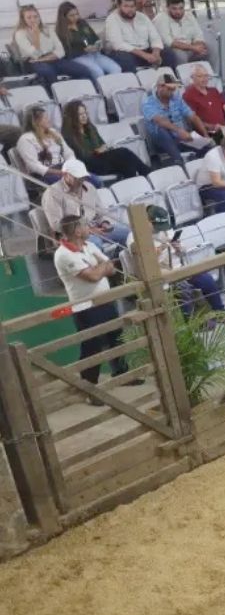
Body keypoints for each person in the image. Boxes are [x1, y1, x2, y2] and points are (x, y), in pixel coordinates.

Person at [54, 215, 132, 395]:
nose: (90, 228)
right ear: (77, 231)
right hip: (86, 308)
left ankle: (123, 375)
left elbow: (111, 267)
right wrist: (102, 267)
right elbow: (92, 277)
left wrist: (101, 268)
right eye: (85, 226)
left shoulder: (90, 246)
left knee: (116, 338)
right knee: (92, 348)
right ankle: (90, 389)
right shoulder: (63, 254)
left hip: (105, 300)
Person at [41, 160, 129, 248]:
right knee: (95, 243)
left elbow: (101, 211)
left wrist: (104, 223)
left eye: (83, 177)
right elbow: (57, 225)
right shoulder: (52, 193)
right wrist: (88, 230)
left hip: (95, 227)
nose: (81, 180)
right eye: (77, 177)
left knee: (128, 233)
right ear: (65, 174)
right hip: (72, 234)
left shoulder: (89, 187)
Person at [61, 101, 149, 182]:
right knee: (124, 153)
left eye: (85, 113)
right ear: (72, 117)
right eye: (80, 114)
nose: (84, 116)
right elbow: (82, 157)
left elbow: (102, 144)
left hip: (101, 159)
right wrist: (96, 151)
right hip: (88, 165)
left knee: (127, 163)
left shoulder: (90, 127)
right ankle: (147, 173)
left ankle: (134, 183)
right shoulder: (69, 135)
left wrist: (103, 148)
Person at [141, 76, 213, 166]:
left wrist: (205, 135)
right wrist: (179, 130)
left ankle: (195, 164)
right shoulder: (148, 102)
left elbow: (192, 116)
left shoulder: (176, 98)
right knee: (161, 130)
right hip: (160, 140)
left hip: (180, 137)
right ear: (160, 87)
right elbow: (160, 121)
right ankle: (178, 161)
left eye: (173, 89)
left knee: (208, 147)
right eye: (169, 89)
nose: (172, 91)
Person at [54, 3, 120, 80]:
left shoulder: (82, 23)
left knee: (116, 69)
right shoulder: (61, 32)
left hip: (94, 53)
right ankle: (101, 90)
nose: (76, 17)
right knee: (98, 72)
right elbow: (66, 52)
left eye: (77, 14)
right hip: (78, 57)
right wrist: (83, 50)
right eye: (71, 15)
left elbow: (94, 37)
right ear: (64, 17)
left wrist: (97, 45)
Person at [104, 0, 164, 72]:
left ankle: (169, 82)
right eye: (126, 6)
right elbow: (118, 44)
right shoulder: (112, 19)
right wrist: (145, 55)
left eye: (132, 6)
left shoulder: (142, 17)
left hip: (146, 50)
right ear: (118, 6)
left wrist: (156, 53)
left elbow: (155, 37)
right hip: (127, 53)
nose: (130, 9)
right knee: (125, 58)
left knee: (168, 53)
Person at [12, 4, 71, 86]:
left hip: (52, 58)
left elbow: (61, 51)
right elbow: (36, 55)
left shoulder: (47, 29)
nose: (33, 20)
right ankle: (56, 96)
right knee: (49, 72)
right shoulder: (20, 34)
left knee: (82, 70)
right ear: (23, 19)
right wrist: (36, 36)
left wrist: (44, 59)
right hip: (32, 62)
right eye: (29, 17)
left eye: (35, 16)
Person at [156, 0, 210, 70]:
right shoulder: (161, 18)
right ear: (167, 8)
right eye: (174, 9)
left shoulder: (189, 15)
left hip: (190, 47)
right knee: (180, 55)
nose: (178, 12)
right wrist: (193, 48)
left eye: (181, 8)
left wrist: (199, 45)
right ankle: (183, 79)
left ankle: (205, 77)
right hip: (172, 49)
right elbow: (169, 42)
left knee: (208, 50)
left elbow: (198, 34)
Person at [181, 63, 225, 142]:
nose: (204, 79)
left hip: (224, 128)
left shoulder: (214, 91)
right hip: (208, 132)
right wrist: (212, 127)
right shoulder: (188, 95)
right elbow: (192, 120)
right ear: (192, 78)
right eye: (200, 76)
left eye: (206, 75)